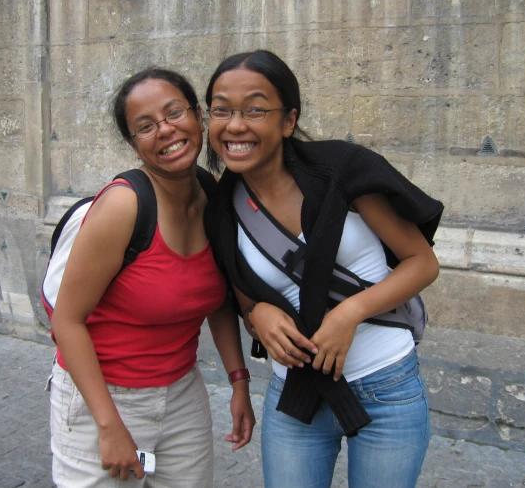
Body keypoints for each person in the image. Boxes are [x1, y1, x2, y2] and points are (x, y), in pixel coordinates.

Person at [203, 50, 444, 488]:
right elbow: (244, 299)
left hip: (385, 386)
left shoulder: (342, 170)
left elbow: (422, 263)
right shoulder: (221, 208)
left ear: (288, 120)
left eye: (255, 109)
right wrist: (257, 316)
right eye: (221, 110)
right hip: (296, 395)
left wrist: (348, 313)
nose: (235, 125)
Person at [48, 68, 255, 488]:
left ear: (197, 116)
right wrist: (109, 426)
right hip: (102, 399)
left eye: (174, 112)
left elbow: (216, 299)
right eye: (145, 126)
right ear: (133, 143)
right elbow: (66, 322)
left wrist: (239, 380)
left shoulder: (210, 191)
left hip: (181, 396)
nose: (165, 130)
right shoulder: (123, 207)